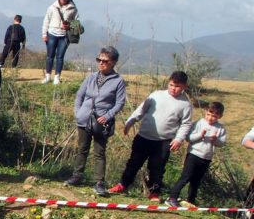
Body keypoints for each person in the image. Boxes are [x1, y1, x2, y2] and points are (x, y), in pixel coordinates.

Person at [109, 71, 193, 200]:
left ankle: (154, 192)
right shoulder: (156, 95)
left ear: (184, 87)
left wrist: (179, 139)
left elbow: (186, 124)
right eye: (171, 85)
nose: (173, 89)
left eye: (177, 86)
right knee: (133, 163)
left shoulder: (185, 104)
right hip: (144, 137)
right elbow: (141, 109)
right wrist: (130, 121)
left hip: (163, 141)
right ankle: (123, 185)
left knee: (157, 168)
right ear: (168, 83)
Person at [65, 46, 128, 196]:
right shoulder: (91, 77)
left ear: (113, 62)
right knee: (82, 149)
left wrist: (108, 116)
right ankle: (77, 176)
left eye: (104, 61)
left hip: (101, 122)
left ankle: (99, 182)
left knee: (99, 152)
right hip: (84, 119)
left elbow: (119, 103)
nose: (101, 63)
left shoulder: (118, 81)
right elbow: (79, 95)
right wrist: (78, 112)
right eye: (98, 60)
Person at [166, 102, 227, 208]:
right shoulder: (199, 123)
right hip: (194, 154)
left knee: (197, 180)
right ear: (205, 112)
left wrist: (215, 140)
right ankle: (172, 197)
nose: (210, 118)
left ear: (219, 116)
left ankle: (191, 201)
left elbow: (222, 143)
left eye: (214, 116)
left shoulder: (220, 128)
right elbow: (188, 138)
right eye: (208, 114)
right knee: (186, 176)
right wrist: (200, 135)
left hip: (206, 157)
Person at [41, 0, 78, 84]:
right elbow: (46, 20)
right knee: (50, 56)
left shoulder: (73, 9)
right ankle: (48, 76)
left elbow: (76, 22)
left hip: (64, 35)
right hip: (52, 33)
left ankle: (57, 77)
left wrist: (69, 25)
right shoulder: (52, 7)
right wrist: (44, 34)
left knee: (60, 56)